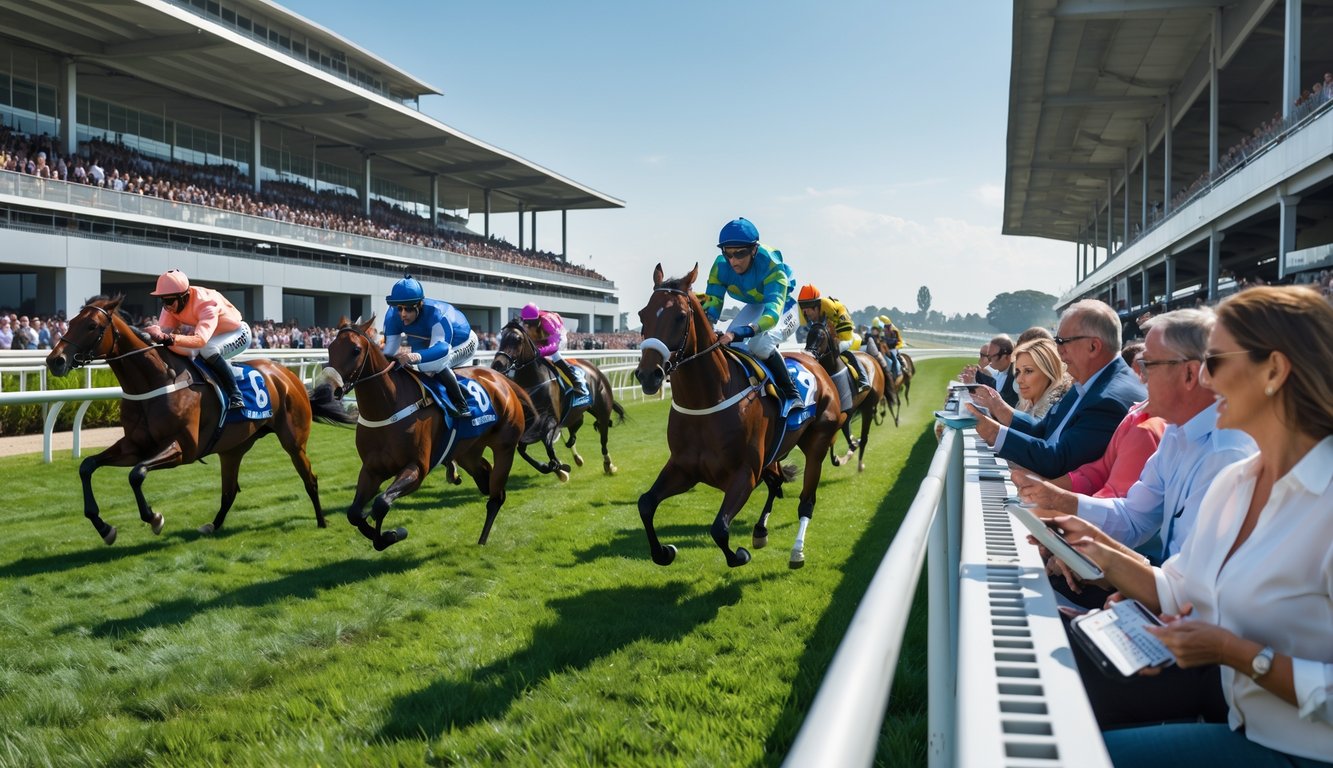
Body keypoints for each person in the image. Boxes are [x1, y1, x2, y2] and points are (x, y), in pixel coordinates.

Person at [1063, 286, 1333, 766]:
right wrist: (1095, 552)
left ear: (1274, 370)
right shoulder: (1237, 481)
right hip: (1242, 719)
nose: (1204, 379)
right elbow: (1177, 584)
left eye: (1216, 362)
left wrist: (1238, 653)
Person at [968, 299, 1145, 478]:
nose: (1058, 350)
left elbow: (1058, 461)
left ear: (1093, 346)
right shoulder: (1089, 382)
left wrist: (994, 432)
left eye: (1062, 341)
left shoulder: (1108, 400)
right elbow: (1043, 431)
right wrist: (999, 407)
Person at [700, 217, 801, 415]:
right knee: (730, 344)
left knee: (759, 345)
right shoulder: (720, 267)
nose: (733, 261)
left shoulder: (771, 264)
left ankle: (791, 393)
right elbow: (712, 307)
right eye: (728, 254)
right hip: (755, 305)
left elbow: (771, 314)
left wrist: (740, 332)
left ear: (754, 250)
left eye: (740, 253)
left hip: (782, 306)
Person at [145, 269, 252, 411]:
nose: (166, 306)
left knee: (207, 350)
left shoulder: (206, 304)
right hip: (212, 335)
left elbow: (200, 340)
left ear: (184, 296)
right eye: (163, 300)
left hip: (238, 333)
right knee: (178, 348)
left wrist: (167, 338)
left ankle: (235, 394)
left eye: (169, 301)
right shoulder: (171, 306)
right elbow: (165, 334)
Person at [382, 275, 476, 419]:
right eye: (399, 308)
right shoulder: (392, 315)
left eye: (408, 309)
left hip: (461, 342)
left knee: (432, 366)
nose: (403, 314)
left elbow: (441, 350)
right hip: (430, 343)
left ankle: (462, 404)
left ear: (419, 305)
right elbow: (389, 351)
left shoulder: (436, 314)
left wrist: (416, 356)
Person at [795, 284, 869, 391]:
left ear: (816, 307)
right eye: (803, 310)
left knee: (838, 350)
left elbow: (841, 334)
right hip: (833, 337)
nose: (805, 313)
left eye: (806, 309)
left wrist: (834, 338)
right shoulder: (814, 319)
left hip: (845, 337)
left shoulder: (830, 311)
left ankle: (863, 378)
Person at [518, 301, 588, 400]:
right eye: (526, 324)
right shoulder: (524, 323)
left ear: (537, 321)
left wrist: (540, 352)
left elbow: (554, 346)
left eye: (531, 324)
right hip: (540, 337)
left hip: (557, 338)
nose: (528, 327)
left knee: (554, 356)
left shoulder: (547, 323)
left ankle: (577, 381)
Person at [1010, 337, 1071, 419]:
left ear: (1049, 372)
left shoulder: (1058, 412)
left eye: (1028, 371)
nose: (1018, 380)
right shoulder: (1024, 407)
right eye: (1018, 372)